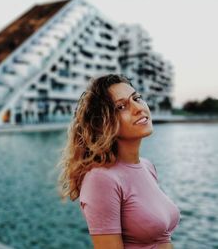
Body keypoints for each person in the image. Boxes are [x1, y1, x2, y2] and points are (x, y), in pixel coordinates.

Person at [57, 74, 180, 249]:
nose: (138, 108)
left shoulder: (147, 166)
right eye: (121, 106)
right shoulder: (101, 179)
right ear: (103, 123)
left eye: (137, 98)